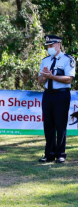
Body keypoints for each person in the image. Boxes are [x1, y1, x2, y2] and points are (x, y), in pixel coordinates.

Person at [38, 35, 75, 163]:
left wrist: (52, 76)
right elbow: (40, 80)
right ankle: (49, 154)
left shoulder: (67, 59)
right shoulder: (45, 60)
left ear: (58, 44)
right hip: (48, 94)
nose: (49, 48)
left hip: (61, 95)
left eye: (51, 45)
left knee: (60, 125)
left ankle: (60, 154)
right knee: (48, 125)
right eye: (48, 46)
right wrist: (44, 76)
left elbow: (69, 78)